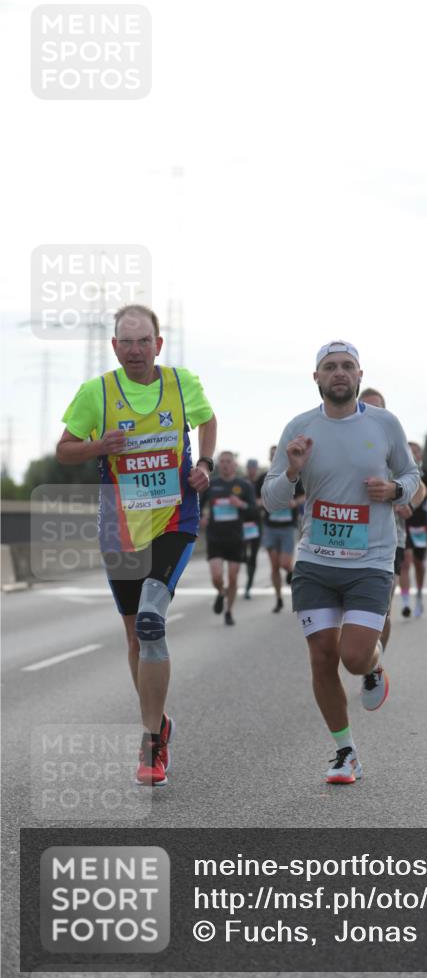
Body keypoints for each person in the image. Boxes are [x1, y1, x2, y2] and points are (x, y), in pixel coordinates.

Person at [56, 304, 216, 786]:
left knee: (150, 621)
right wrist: (96, 447)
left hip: (175, 518)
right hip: (120, 529)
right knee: (134, 635)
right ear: (114, 347)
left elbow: (207, 421)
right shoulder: (96, 392)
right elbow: (64, 450)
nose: (135, 350)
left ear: (158, 344)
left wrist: (204, 464)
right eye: (126, 342)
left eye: (143, 341)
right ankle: (158, 720)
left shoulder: (181, 383)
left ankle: (151, 742)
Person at [262, 342, 420, 784]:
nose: (339, 373)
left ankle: (372, 666)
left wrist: (395, 491)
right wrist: (291, 472)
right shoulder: (300, 428)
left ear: (359, 374)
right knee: (322, 657)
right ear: (316, 377)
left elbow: (412, 477)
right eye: (329, 367)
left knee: (352, 657)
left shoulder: (385, 425)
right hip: (315, 560)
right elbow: (271, 499)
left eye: (347, 366)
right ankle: (345, 752)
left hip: (370, 559)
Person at [359, 387, 426, 651]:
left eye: (377, 409)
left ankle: (374, 663)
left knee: (381, 611)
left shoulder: (394, 445)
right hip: (347, 536)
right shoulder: (339, 440)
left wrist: (408, 502)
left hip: (389, 539)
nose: (371, 414)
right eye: (365, 408)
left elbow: (418, 485)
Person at [200, 452, 256, 625]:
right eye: (222, 462)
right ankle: (221, 592)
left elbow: (254, 511)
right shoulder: (211, 484)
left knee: (233, 577)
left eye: (228, 462)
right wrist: (201, 517)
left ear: (234, 464)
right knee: (217, 577)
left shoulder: (244, 485)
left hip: (236, 538)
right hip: (215, 537)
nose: (225, 465)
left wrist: (241, 505)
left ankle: (229, 611)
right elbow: (198, 505)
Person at [257, 445, 305, 614]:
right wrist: (266, 502)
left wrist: (295, 502)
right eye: (272, 455)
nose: (274, 458)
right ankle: (278, 598)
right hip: (270, 527)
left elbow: (303, 496)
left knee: (285, 564)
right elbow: (256, 499)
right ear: (270, 458)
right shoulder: (263, 477)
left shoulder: (294, 476)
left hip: (287, 527)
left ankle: (292, 575)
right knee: (274, 566)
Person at [399, 441, 427, 618]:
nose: (412, 454)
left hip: (421, 526)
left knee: (419, 564)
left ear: (420, 456)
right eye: (409, 451)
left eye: (415, 452)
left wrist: (421, 489)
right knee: (405, 560)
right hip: (403, 523)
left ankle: (419, 596)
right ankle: (405, 602)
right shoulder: (399, 472)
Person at [242, 458, 262, 598]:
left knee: (253, 556)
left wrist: (257, 502)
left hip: (255, 523)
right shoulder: (242, 482)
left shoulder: (261, 482)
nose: (252, 470)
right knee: (242, 554)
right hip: (242, 523)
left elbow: (266, 498)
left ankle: (249, 585)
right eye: (250, 467)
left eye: (254, 467)